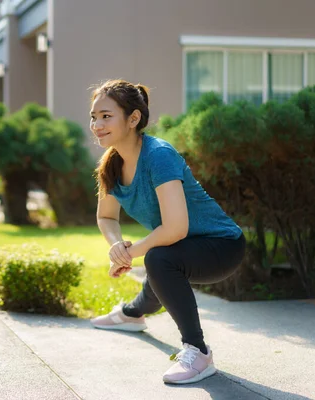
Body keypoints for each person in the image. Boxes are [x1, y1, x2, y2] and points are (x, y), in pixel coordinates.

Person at [89, 79, 245, 385]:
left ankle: (198, 353)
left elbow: (175, 228)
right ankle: (131, 314)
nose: (97, 124)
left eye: (106, 116)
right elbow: (106, 217)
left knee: (159, 261)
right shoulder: (110, 164)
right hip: (184, 246)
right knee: (160, 269)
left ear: (133, 119)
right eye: (94, 117)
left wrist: (130, 253)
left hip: (222, 245)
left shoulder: (158, 155)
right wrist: (117, 247)